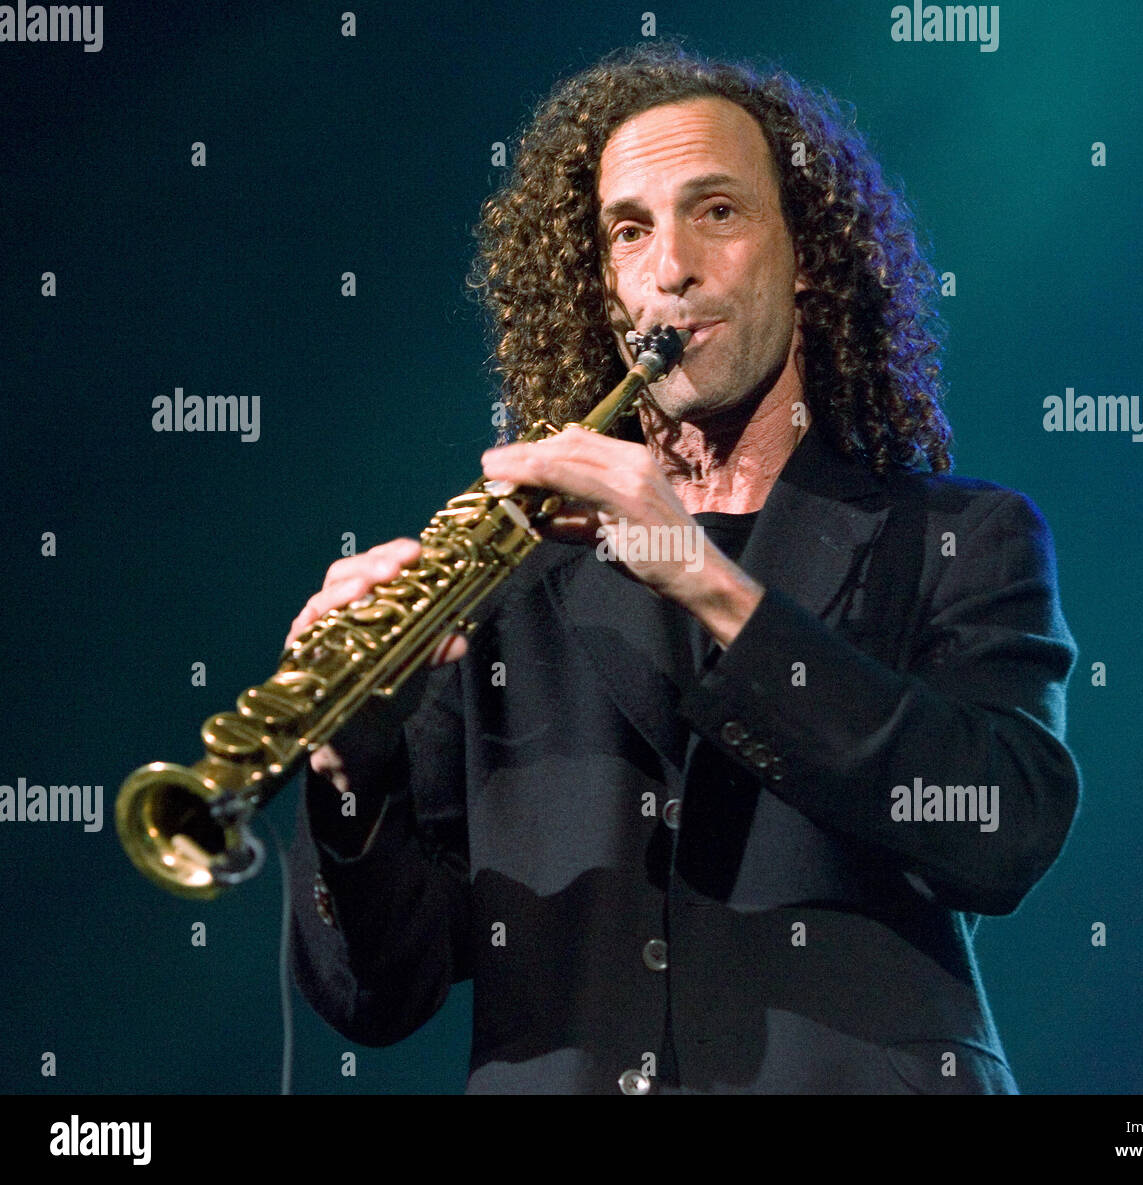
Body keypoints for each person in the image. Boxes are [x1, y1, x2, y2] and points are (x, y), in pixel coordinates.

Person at [287, 42, 1081, 1094]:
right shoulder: (503, 584)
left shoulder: (957, 536)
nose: (670, 268)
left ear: (809, 256)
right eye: (629, 230)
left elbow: (995, 831)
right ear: (602, 286)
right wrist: (354, 783)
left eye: (716, 212)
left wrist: (698, 573)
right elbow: (382, 999)